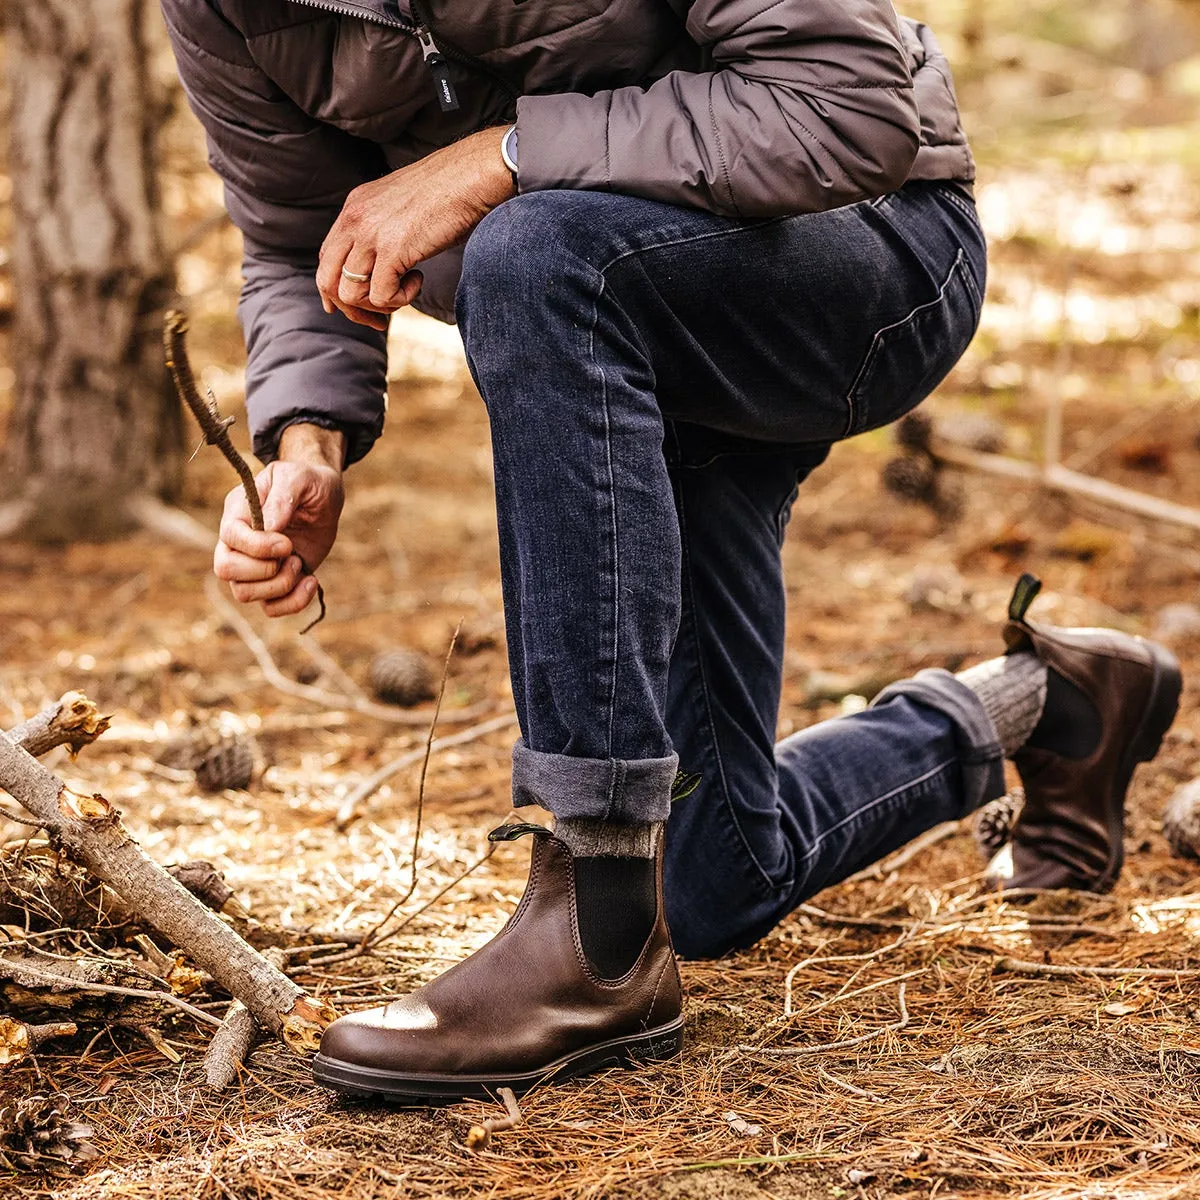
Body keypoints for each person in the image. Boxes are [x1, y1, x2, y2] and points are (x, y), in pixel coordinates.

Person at [162, 0, 1182, 1102]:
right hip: (616, 335)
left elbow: (847, 104)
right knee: (708, 886)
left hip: (866, 243)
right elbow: (296, 229)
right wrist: (306, 441)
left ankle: (591, 921)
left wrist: (499, 158)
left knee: (535, 246)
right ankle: (1049, 700)